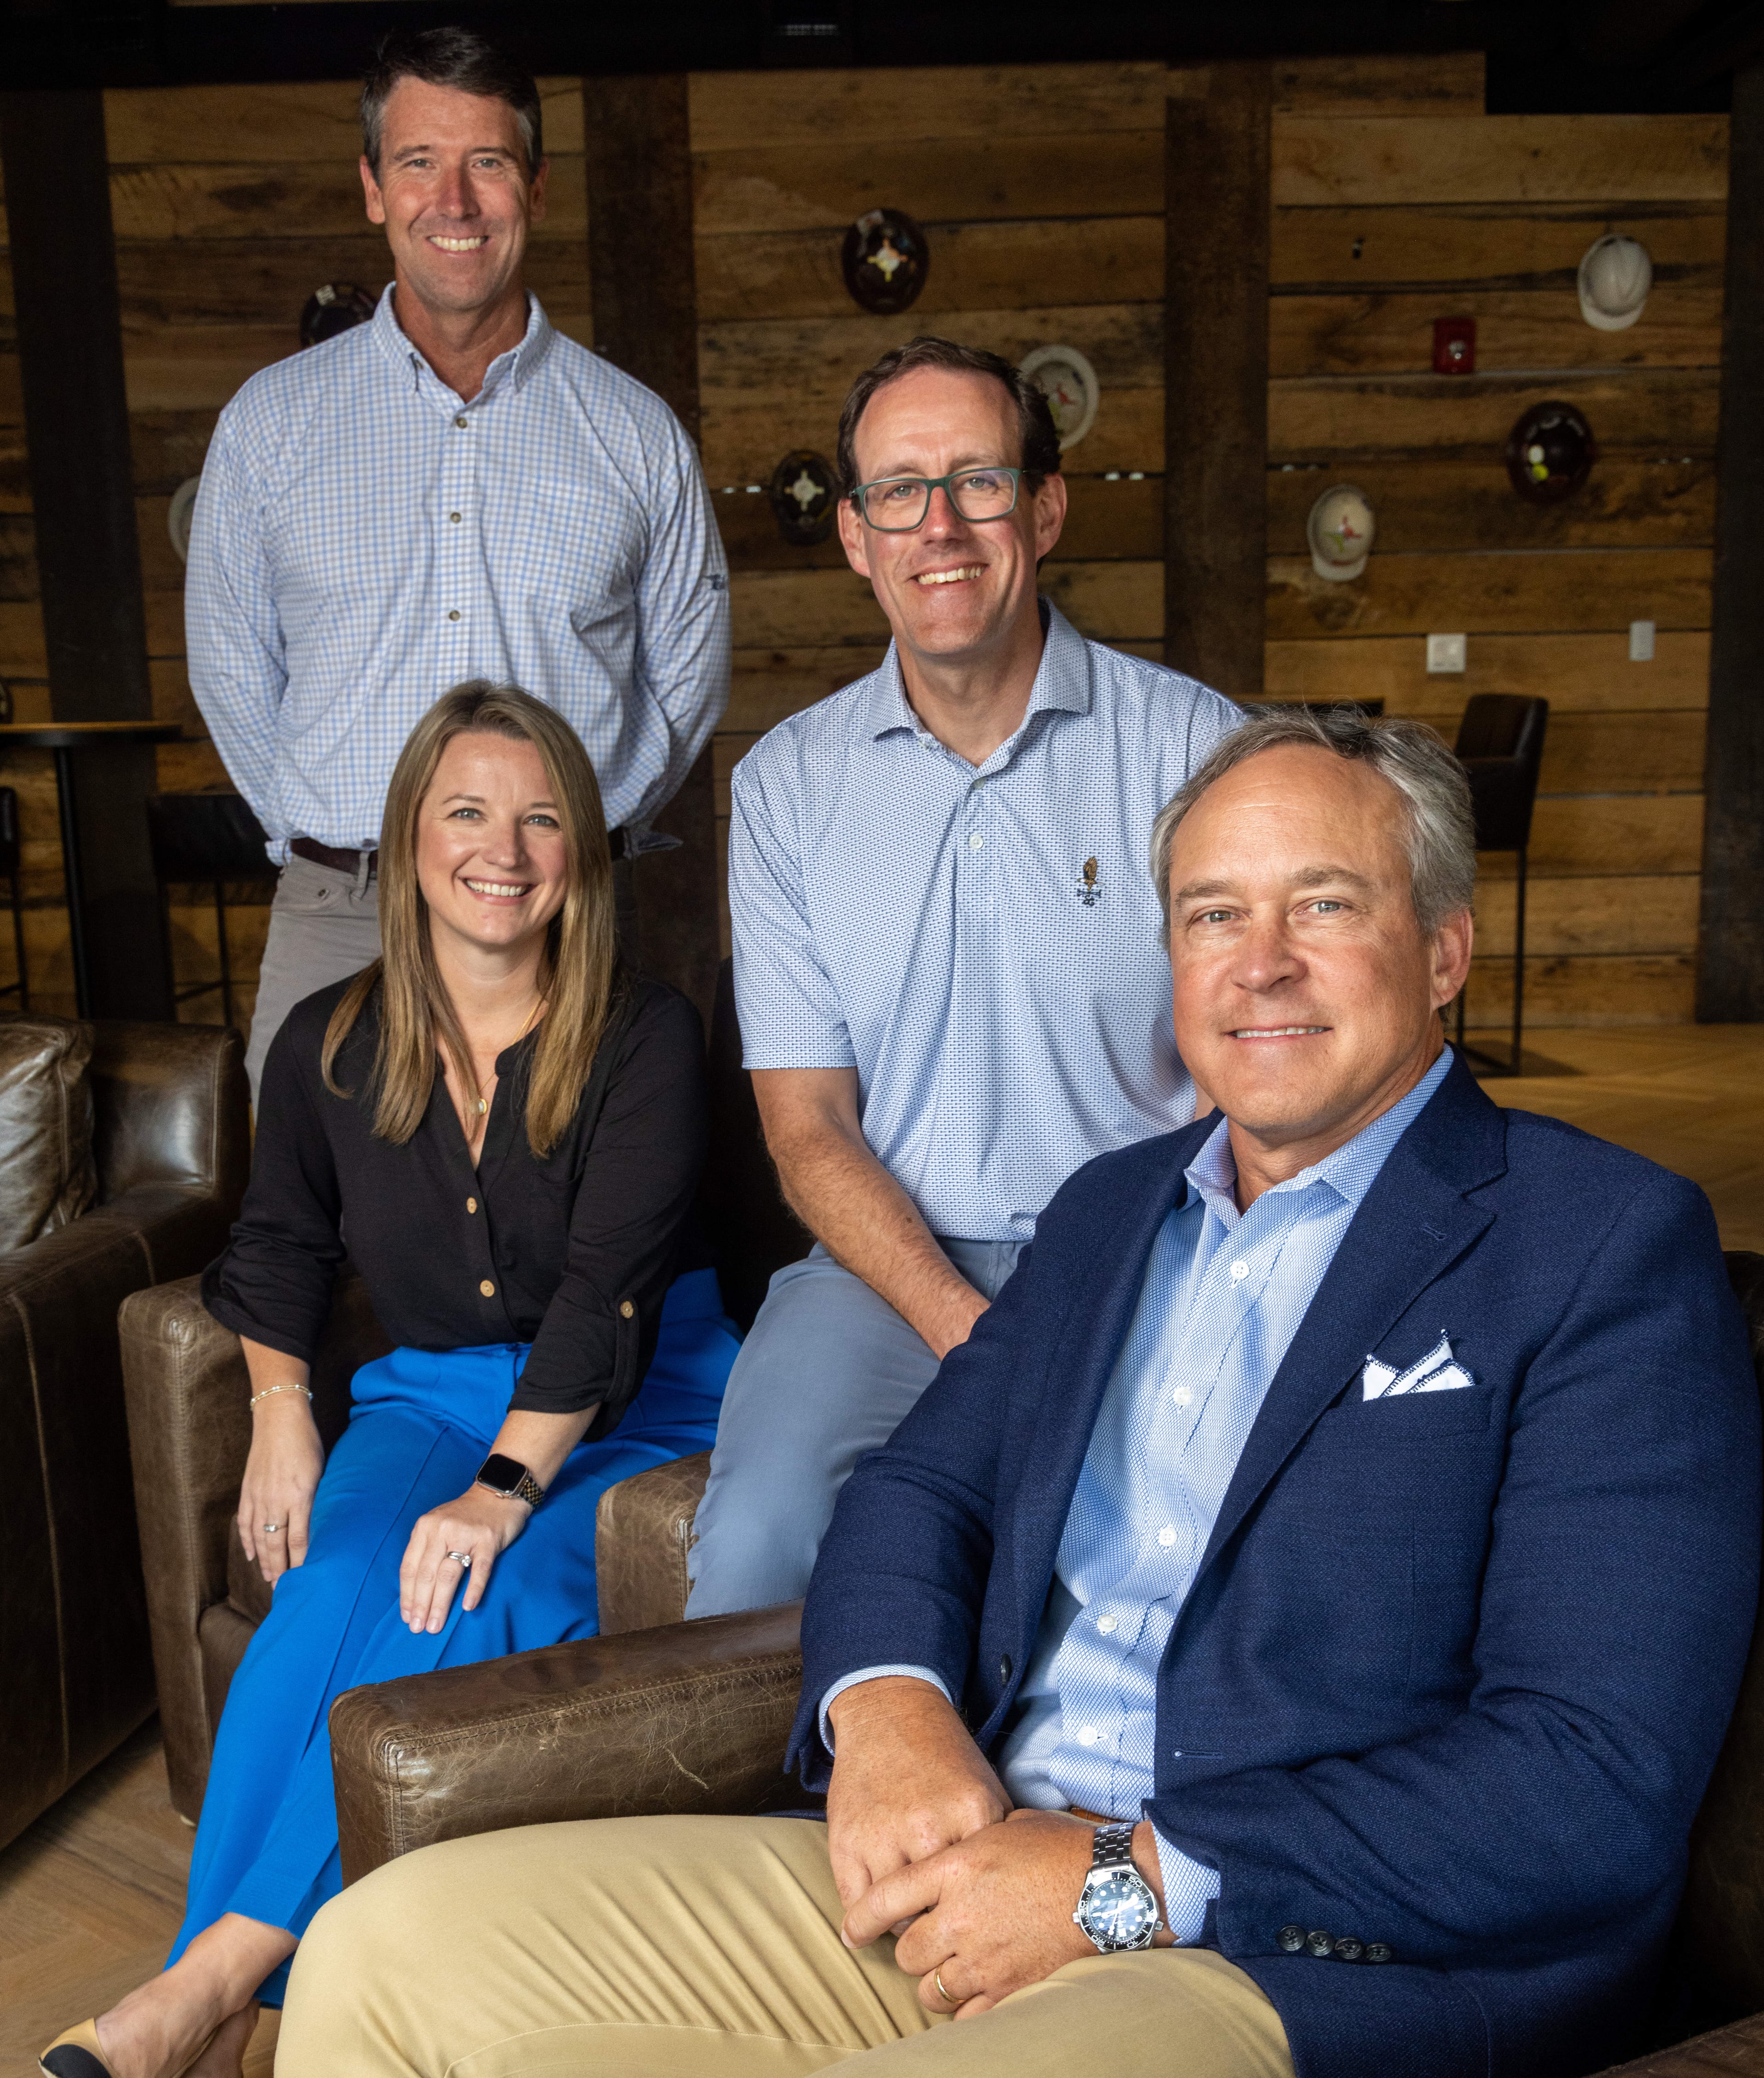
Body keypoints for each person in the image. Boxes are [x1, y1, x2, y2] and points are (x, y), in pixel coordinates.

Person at [275, 707, 1759, 2078]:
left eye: (1325, 903)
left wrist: (1134, 1882)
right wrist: (893, 1706)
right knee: (385, 1951)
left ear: (1445, 947)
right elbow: (923, 1487)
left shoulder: (1599, 1243)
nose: (1263, 961)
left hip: (1291, 1958)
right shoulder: (1114, 1211)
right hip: (971, 1856)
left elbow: (1591, 1779)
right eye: (1213, 914)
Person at [39, 683, 739, 2078]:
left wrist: (499, 1493)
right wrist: (284, 1414)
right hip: (427, 1395)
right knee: (327, 1595)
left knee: (469, 1590)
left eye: (545, 818)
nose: (507, 847)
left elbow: (606, 1299)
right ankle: (229, 2012)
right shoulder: (329, 1044)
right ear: (410, 834)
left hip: (632, 1399)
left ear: (583, 851)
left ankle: (201, 1996)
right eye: (469, 810)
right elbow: (278, 1243)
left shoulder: (645, 1037)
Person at [685, 334, 1239, 1619]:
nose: (940, 524)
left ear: (1043, 509)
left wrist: (1135, 1288)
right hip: (883, 1262)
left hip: (1137, 1250)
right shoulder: (783, 789)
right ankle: (796, 1829)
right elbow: (805, 1126)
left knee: (1168, 1543)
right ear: (855, 536)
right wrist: (964, 1325)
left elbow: (1246, 1076)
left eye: (978, 481)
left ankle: (1081, 1825)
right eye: (898, 490)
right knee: (757, 1539)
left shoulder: (1198, 751)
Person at [186, 26, 730, 1098]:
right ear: (372, 189)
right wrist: (341, 843)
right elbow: (233, 673)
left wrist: (583, 826)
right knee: (306, 1239)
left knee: (582, 1238)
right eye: (418, 163)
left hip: (569, 917)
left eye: (486, 162)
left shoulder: (634, 434)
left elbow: (685, 684)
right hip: (341, 919)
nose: (456, 201)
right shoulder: (271, 426)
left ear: (534, 183)